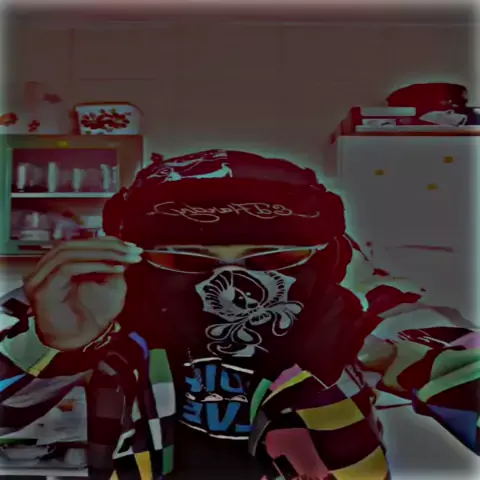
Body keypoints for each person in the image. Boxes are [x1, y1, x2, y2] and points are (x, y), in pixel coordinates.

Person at [0, 149, 477, 480]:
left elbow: (451, 352)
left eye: (272, 258)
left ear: (325, 257)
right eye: (185, 259)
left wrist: (382, 354)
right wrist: (52, 344)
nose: (228, 284)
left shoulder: (360, 304)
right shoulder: (90, 298)